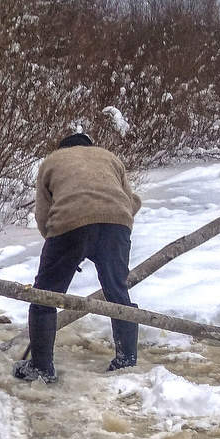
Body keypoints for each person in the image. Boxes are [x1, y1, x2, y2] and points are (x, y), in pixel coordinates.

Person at [14, 132, 142, 383]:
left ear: (62, 149)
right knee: (118, 293)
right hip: (117, 224)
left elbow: (43, 215)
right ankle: (126, 360)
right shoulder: (109, 158)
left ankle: (41, 368)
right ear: (90, 147)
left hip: (69, 224)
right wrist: (114, 220)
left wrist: (62, 250)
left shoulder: (52, 161)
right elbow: (132, 202)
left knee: (44, 296)